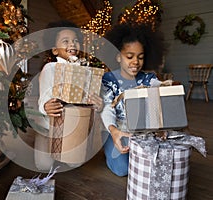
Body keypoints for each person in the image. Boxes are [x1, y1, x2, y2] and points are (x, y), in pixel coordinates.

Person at [36, 20, 104, 170]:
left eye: (75, 41)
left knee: (75, 162)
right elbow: (44, 98)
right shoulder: (51, 68)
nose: (72, 44)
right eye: (65, 41)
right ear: (55, 50)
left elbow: (90, 99)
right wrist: (45, 106)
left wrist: (97, 104)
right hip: (50, 125)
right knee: (43, 165)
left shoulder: (85, 70)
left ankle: (66, 147)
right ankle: (42, 139)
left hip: (73, 125)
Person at [100, 23, 166, 176]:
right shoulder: (108, 79)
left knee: (156, 164)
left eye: (140, 57)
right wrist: (113, 130)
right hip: (117, 131)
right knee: (123, 169)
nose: (136, 62)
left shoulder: (149, 78)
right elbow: (107, 107)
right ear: (118, 56)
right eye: (129, 56)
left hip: (144, 132)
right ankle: (109, 148)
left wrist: (164, 87)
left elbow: (160, 91)